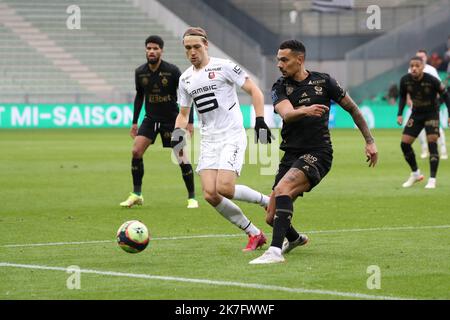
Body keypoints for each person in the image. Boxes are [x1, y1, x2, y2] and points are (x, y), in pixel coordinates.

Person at [249, 40, 378, 264]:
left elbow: (352, 109)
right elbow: (287, 114)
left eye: (284, 60)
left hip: (318, 152)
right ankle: (296, 239)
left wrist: (370, 141)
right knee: (271, 216)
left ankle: (274, 252)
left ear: (299, 60)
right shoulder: (279, 86)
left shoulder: (324, 81)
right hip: (290, 154)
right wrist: (306, 110)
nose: (279, 64)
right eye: (278, 60)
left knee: (283, 189)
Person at [172, 27, 273, 251]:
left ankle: (268, 201)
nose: (192, 52)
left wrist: (259, 120)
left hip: (232, 134)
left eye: (196, 47)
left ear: (206, 45)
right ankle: (254, 233)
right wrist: (177, 137)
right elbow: (183, 114)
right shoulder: (185, 79)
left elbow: (255, 91)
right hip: (209, 140)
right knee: (210, 193)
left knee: (225, 188)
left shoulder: (224, 67)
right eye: (188, 48)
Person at [120, 35, 199, 209]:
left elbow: (186, 96)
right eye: (149, 48)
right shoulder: (140, 72)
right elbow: (140, 96)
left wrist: (190, 122)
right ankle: (136, 194)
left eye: (155, 48)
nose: (152, 51)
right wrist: (135, 122)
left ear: (161, 50)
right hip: (150, 119)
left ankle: (192, 197)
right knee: (136, 151)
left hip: (172, 120)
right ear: (145, 50)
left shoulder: (172, 71)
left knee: (181, 157)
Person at [397, 57, 450, 189]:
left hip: (432, 113)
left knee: (432, 143)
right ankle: (415, 173)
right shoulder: (405, 80)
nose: (414, 68)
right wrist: (399, 113)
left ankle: (432, 179)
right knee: (404, 144)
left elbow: (446, 95)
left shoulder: (431, 80)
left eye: (417, 66)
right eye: (412, 66)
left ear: (423, 67)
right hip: (416, 114)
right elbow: (403, 96)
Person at [407, 50, 448, 160]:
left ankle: (443, 150)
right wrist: (408, 99)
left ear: (426, 58)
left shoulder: (431, 70)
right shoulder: (411, 70)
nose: (421, 58)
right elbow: (408, 86)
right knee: (419, 128)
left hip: (430, 106)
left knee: (436, 128)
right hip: (417, 105)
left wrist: (436, 100)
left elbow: (440, 86)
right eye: (418, 56)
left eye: (422, 56)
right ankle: (425, 150)